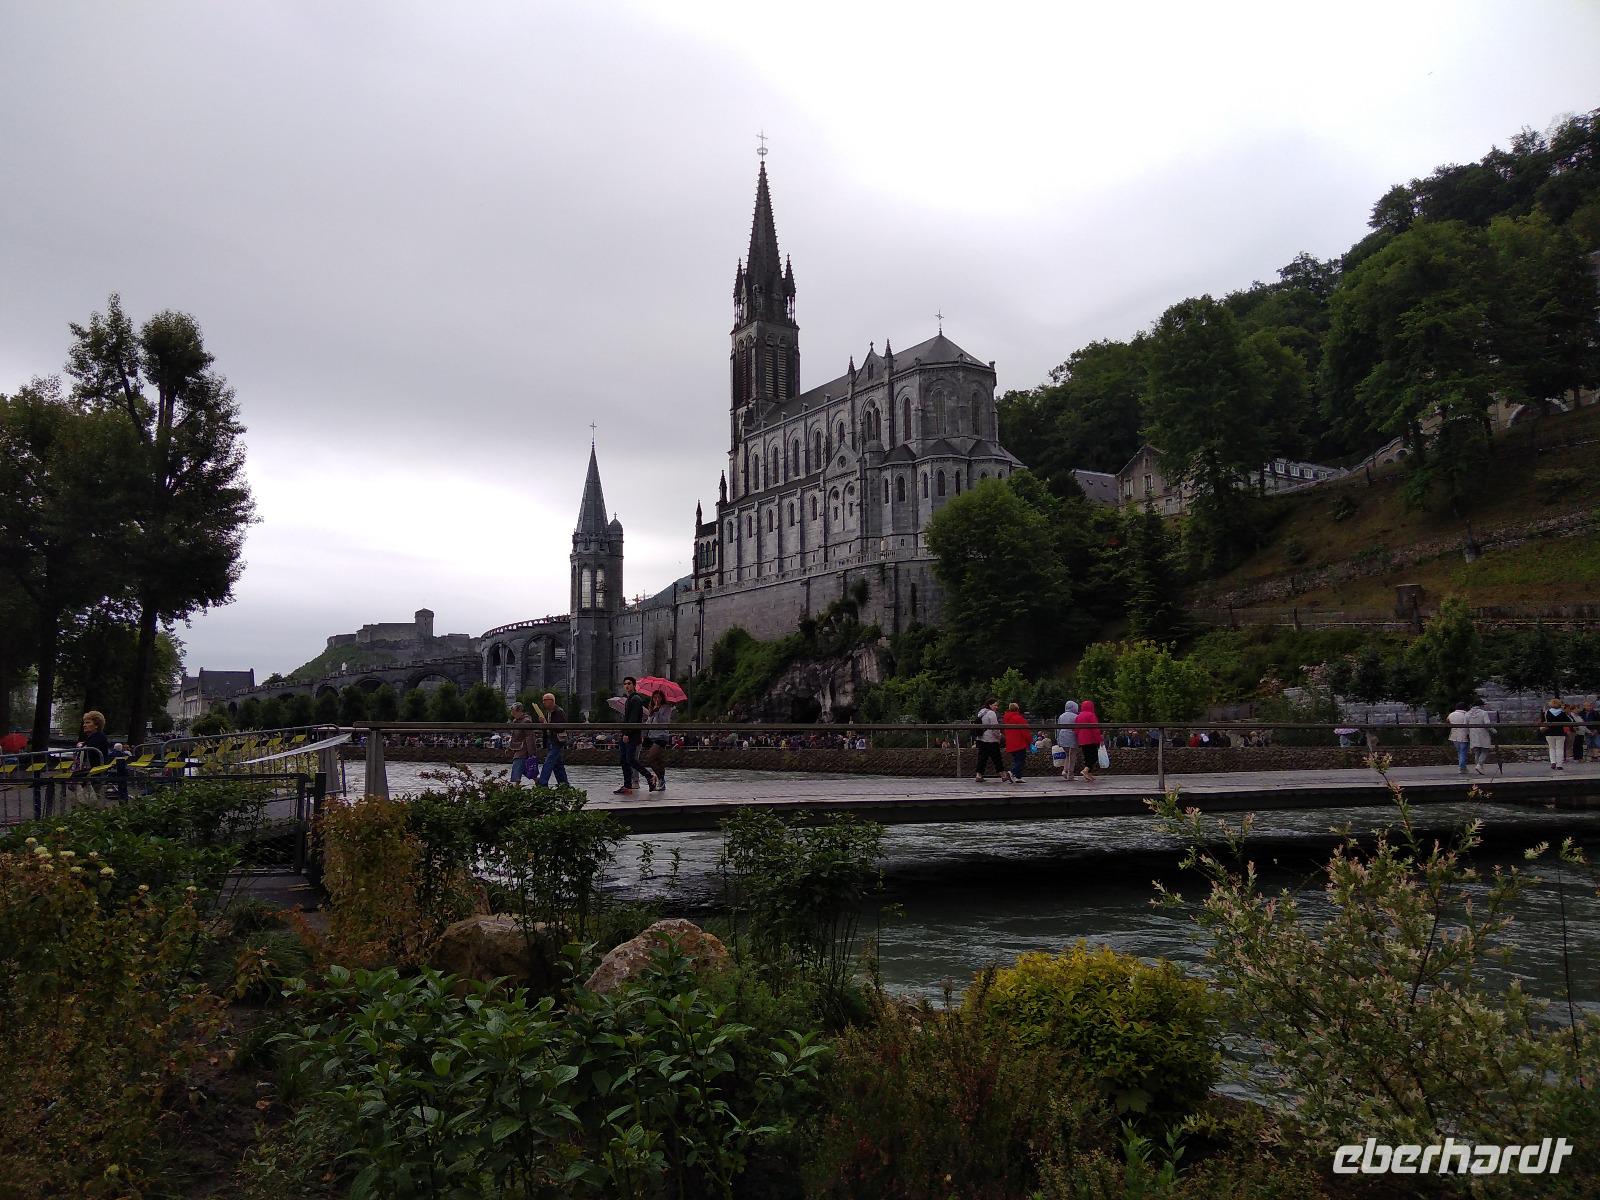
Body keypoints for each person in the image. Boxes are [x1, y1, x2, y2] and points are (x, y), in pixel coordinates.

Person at [615, 676, 649, 795]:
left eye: (629, 683)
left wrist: (627, 733)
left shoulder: (635, 699)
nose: (627, 686)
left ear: (634, 685)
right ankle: (627, 785)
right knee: (624, 760)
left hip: (632, 734)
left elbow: (633, 719)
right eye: (625, 684)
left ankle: (649, 776)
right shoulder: (629, 699)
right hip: (627, 733)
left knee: (630, 759)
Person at [536, 692, 570, 787]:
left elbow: (560, 727)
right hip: (551, 739)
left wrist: (545, 724)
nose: (543, 703)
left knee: (549, 761)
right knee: (557, 764)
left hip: (557, 740)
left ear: (551, 701)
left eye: (545, 700)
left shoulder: (558, 712)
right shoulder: (549, 713)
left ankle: (542, 783)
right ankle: (564, 784)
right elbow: (548, 728)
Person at [643, 689, 673, 792]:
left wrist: (658, 711)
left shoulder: (666, 708)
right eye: (655, 697)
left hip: (662, 736)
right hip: (652, 736)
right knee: (659, 760)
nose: (657, 699)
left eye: (659, 697)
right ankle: (662, 782)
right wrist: (652, 713)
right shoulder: (651, 708)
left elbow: (664, 721)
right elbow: (648, 723)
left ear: (662, 698)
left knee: (651, 758)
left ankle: (660, 779)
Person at [974, 697, 1003, 783]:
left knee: (982, 758)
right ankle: (1003, 774)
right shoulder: (992, 713)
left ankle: (979, 774)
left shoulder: (981, 712)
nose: (996, 707)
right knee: (997, 758)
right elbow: (995, 727)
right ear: (990, 705)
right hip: (991, 739)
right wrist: (999, 737)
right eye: (995, 705)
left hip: (981, 738)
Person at [508, 702, 537, 785]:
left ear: (518, 711)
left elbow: (530, 738)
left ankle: (516, 787)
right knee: (526, 769)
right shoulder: (515, 721)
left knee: (517, 765)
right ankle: (538, 781)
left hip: (523, 749)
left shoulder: (526, 721)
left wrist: (531, 752)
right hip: (517, 748)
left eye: (513, 711)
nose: (512, 712)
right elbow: (514, 737)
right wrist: (509, 748)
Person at [1539, 698, 1572, 771]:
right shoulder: (1562, 713)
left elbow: (1542, 721)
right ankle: (1559, 764)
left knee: (1552, 748)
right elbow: (1569, 721)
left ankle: (1553, 762)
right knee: (1560, 748)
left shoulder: (1547, 712)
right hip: (1560, 733)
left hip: (1549, 733)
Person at [1001, 702, 1030, 783]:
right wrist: (1029, 740)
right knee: (1021, 760)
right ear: (1017, 709)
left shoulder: (1006, 719)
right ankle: (1012, 772)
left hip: (1010, 743)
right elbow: (1025, 731)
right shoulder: (1019, 718)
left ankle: (1018, 777)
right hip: (1019, 742)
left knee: (1016, 759)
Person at [1075, 700, 1104, 783]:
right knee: (1094, 756)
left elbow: (1076, 729)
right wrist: (1099, 739)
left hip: (1082, 740)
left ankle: (1088, 774)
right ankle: (1086, 770)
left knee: (1087, 756)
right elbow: (1095, 728)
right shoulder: (1091, 715)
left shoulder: (1079, 715)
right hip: (1091, 739)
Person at [1465, 701, 1495, 775]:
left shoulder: (1467, 714)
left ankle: (1479, 767)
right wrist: (1493, 730)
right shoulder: (1483, 713)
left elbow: (1465, 725)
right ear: (1481, 705)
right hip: (1483, 733)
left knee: (1477, 751)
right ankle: (1479, 765)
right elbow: (1487, 724)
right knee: (1485, 750)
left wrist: (1468, 734)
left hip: (1472, 734)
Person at [1056, 700, 1082, 780]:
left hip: (1062, 736)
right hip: (1072, 737)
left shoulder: (1061, 716)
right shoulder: (1075, 716)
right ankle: (1070, 774)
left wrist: (1057, 739)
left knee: (1067, 755)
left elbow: (1058, 728)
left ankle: (1065, 770)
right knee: (1072, 756)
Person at [1446, 704, 1470, 774]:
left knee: (1459, 751)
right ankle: (1461, 767)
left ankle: (1463, 767)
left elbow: (1447, 721)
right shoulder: (1466, 715)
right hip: (1464, 735)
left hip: (1454, 735)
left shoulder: (1451, 714)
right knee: (1463, 751)